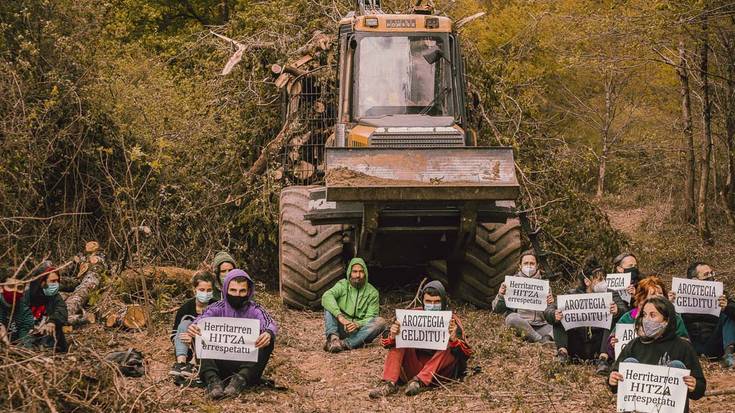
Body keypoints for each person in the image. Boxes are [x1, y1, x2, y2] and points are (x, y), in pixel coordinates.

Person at [369, 281, 472, 398]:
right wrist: (393, 335)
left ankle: (420, 382)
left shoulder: (452, 321)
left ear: (443, 301)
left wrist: (454, 340)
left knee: (448, 343)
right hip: (413, 368)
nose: (432, 305)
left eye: (437, 302)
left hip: (438, 373)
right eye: (428, 301)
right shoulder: (411, 316)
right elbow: (385, 342)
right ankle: (389, 383)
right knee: (400, 337)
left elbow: (467, 353)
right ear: (423, 302)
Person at [188, 269, 277, 399]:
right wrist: (194, 326)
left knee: (269, 339)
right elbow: (201, 319)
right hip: (218, 362)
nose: (237, 295)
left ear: (248, 291)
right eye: (233, 290)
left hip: (246, 366)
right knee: (199, 332)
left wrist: (268, 333)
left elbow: (270, 323)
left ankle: (239, 381)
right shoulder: (217, 307)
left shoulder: (255, 309)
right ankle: (213, 381)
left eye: (242, 291)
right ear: (225, 290)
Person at [608, 296, 706, 413]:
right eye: (644, 315)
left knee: (676, 365)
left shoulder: (683, 347)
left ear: (666, 320)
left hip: (669, 409)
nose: (646, 319)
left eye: (652, 315)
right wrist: (612, 380)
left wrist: (694, 386)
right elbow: (615, 376)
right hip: (639, 408)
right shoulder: (634, 345)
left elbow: (700, 387)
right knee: (630, 362)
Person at [545, 257, 628, 374]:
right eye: (599, 279)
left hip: (598, 344)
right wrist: (553, 315)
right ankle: (562, 354)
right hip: (576, 344)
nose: (603, 282)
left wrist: (617, 311)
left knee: (613, 318)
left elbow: (624, 311)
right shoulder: (572, 295)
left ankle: (603, 360)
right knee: (559, 316)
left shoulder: (611, 293)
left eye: (604, 278)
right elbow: (549, 310)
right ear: (587, 281)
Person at [668, 261, 735, 368]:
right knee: (675, 316)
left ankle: (729, 354)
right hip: (690, 343)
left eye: (711, 273)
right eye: (706, 274)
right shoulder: (679, 295)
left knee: (728, 314)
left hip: (715, 343)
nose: (711, 276)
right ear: (694, 280)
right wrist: (669, 304)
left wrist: (726, 307)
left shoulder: (720, 294)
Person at [608, 275, 689, 361]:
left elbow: (685, 344)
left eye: (660, 293)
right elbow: (612, 346)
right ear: (642, 298)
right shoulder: (628, 317)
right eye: (653, 294)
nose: (658, 297)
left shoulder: (674, 318)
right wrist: (613, 344)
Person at [321, 257, 386, 352]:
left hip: (359, 332)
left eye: (361, 272)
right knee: (329, 305)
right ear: (349, 273)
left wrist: (357, 324)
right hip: (341, 327)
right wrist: (341, 317)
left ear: (365, 273)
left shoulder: (372, 292)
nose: (358, 275)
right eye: (354, 271)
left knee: (381, 322)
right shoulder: (342, 285)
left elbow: (371, 316)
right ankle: (333, 339)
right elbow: (326, 296)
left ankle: (344, 344)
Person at [492, 251, 554, 343]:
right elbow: (496, 309)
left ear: (537, 266)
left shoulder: (545, 286)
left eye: (532, 263)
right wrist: (501, 295)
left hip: (541, 326)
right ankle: (541, 340)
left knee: (561, 324)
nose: (529, 266)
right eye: (526, 263)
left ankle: (544, 338)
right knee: (511, 318)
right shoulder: (510, 283)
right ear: (520, 266)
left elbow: (550, 316)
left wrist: (551, 304)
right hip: (521, 324)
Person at [169, 272, 218, 383]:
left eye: (209, 290)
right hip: (187, 350)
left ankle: (194, 364)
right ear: (194, 289)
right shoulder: (185, 308)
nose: (205, 293)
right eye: (201, 290)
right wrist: (187, 339)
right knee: (185, 323)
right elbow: (174, 334)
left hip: (209, 349)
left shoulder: (217, 307)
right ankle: (180, 363)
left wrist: (196, 339)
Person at [27, 266, 69, 352]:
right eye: (53, 281)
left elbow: (62, 310)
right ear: (42, 282)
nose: (56, 284)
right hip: (28, 334)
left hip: (49, 335)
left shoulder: (55, 296)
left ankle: (48, 351)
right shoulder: (27, 296)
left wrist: (52, 321)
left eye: (57, 281)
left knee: (55, 326)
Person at [0, 276, 34, 346]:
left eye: (20, 288)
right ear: (1, 288)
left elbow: (25, 336)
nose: (15, 290)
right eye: (11, 286)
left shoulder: (25, 311)